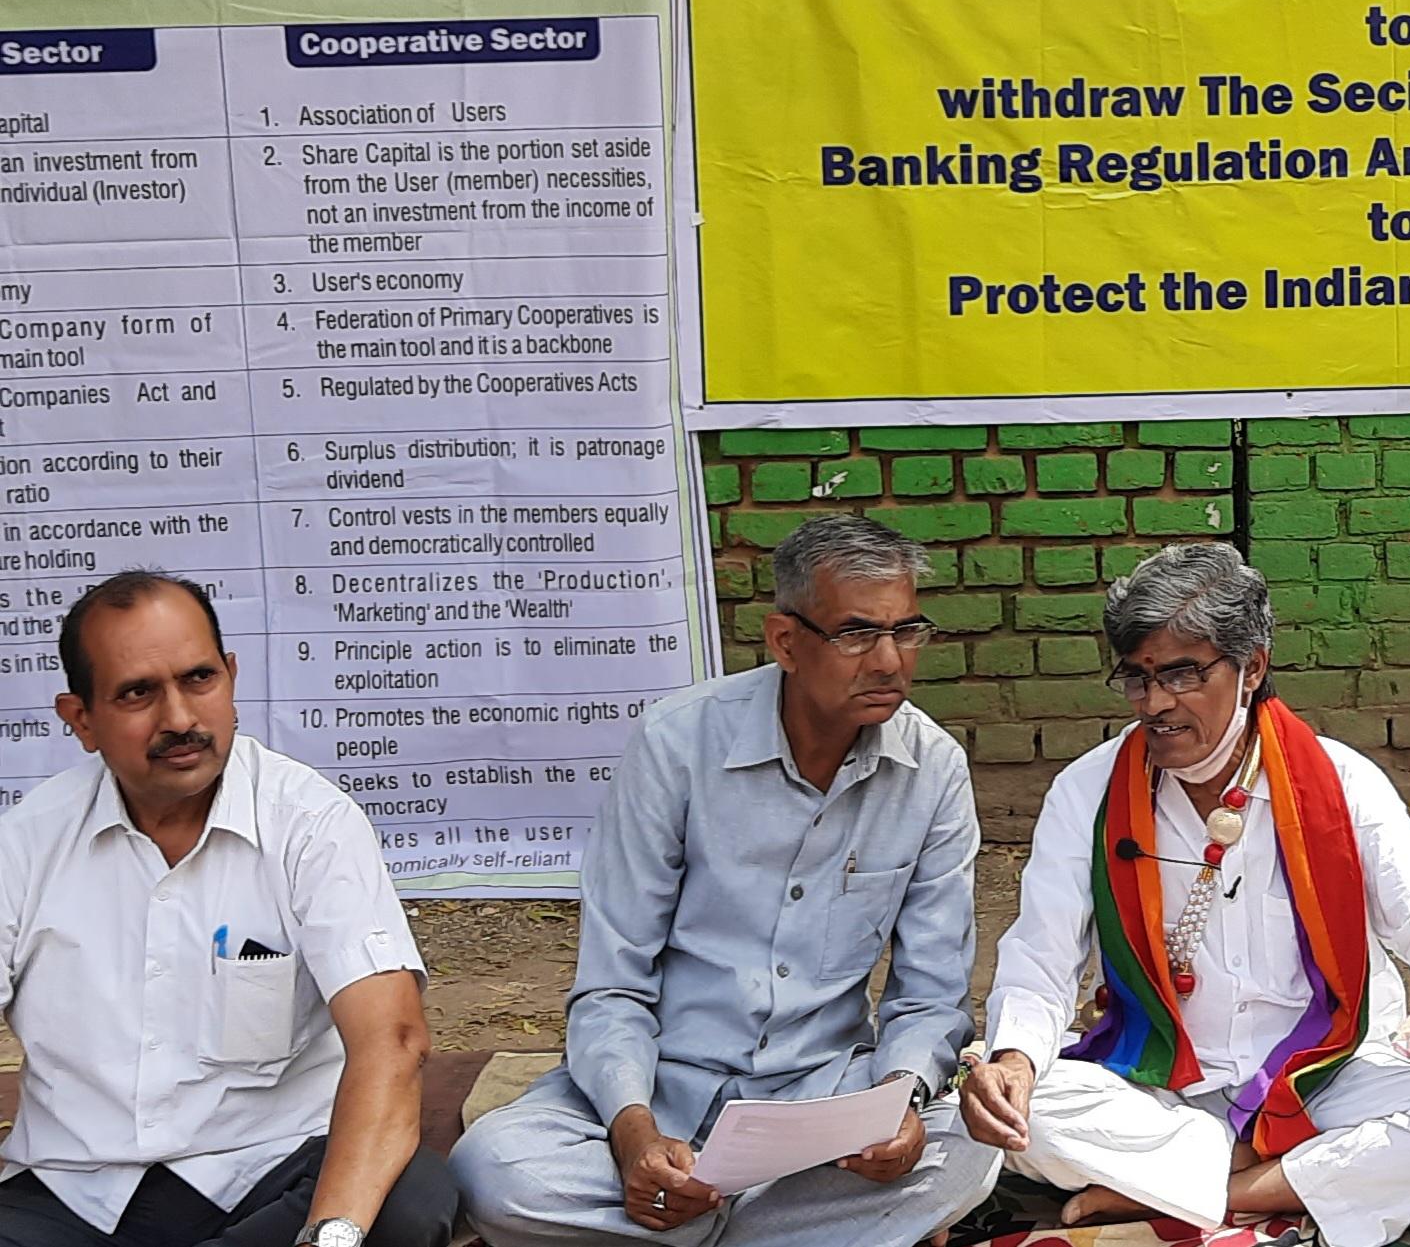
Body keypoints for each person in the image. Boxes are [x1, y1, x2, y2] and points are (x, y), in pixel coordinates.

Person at [963, 542, 1410, 1247]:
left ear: (1251, 665)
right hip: (1162, 1080)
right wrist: (1012, 1058)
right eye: (1136, 679)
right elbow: (1040, 956)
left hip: (1327, 1078)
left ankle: (1211, 1189)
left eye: (1180, 672)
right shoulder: (1089, 790)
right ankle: (1268, 1173)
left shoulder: (1342, 786)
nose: (1156, 702)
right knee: (1020, 1114)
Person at [453, 515, 998, 1245]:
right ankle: (767, 1225)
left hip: (822, 1099)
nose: (889, 660)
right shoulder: (675, 742)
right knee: (494, 1167)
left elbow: (931, 994)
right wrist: (632, 1136)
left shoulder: (932, 769)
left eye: (907, 632)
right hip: (662, 1085)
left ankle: (693, 1229)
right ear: (784, 641)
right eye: (857, 633)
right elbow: (613, 980)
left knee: (971, 1148)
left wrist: (896, 1103)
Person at [0, 571, 457, 1247]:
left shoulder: (309, 824)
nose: (179, 718)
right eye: (137, 692)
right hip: (74, 1193)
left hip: (267, 1179)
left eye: (199, 678)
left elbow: (392, 1040)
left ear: (231, 676)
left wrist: (328, 1238)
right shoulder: (27, 842)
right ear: (82, 720)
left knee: (405, 1203)